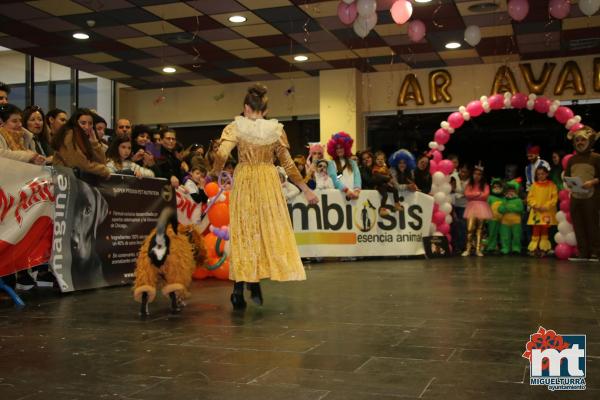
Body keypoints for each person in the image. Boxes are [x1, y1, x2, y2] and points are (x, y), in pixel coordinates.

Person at [210, 84, 318, 310]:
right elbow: (288, 163)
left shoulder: (235, 127)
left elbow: (221, 154)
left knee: (244, 232)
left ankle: (241, 287)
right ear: (266, 110)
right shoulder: (275, 130)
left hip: (246, 179)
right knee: (266, 231)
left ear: (245, 108)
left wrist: (214, 172)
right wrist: (305, 189)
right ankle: (254, 282)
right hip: (268, 181)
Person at [564, 125, 600, 261]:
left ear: (589, 141)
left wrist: (592, 182)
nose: (580, 143)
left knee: (592, 224)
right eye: (577, 140)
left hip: (591, 197)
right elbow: (566, 176)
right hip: (576, 196)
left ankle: (596, 252)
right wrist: (569, 182)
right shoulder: (572, 160)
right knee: (578, 225)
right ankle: (583, 252)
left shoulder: (596, 157)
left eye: (583, 140)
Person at [52, 108, 110, 178]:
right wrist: (104, 170)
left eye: (90, 123)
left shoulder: (86, 138)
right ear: (75, 122)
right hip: (65, 182)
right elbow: (79, 165)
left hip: (76, 182)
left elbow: (102, 162)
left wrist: (94, 143)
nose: (87, 127)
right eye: (83, 123)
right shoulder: (69, 135)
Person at [462, 164, 493, 257]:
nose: (477, 176)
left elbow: (485, 195)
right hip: (471, 207)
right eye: (475, 173)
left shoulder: (486, 185)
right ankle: (467, 249)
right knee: (470, 229)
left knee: (480, 230)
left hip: (482, 207)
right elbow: (467, 195)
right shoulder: (469, 184)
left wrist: (474, 194)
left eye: (479, 174)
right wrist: (478, 194)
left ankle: (478, 250)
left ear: (482, 176)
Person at [526, 166, 557, 256]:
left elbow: (554, 198)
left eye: (542, 174)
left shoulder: (552, 185)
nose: (540, 176)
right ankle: (534, 248)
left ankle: (544, 248)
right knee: (536, 229)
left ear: (547, 174)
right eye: (538, 174)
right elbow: (530, 198)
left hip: (547, 212)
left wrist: (546, 206)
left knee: (545, 230)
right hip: (536, 211)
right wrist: (535, 205)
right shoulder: (534, 185)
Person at [326, 132, 361, 200]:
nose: (339, 150)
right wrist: (346, 190)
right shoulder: (331, 163)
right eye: (337, 148)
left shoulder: (352, 163)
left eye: (341, 147)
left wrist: (357, 191)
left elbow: (357, 177)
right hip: (338, 196)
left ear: (346, 147)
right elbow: (335, 179)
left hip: (353, 196)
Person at [372, 150, 401, 216]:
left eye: (382, 159)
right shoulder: (375, 168)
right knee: (385, 195)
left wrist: (391, 179)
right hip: (380, 185)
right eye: (378, 159)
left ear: (384, 160)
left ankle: (397, 204)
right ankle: (382, 209)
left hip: (386, 185)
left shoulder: (385, 168)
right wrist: (388, 179)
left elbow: (389, 175)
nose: (380, 160)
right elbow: (379, 176)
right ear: (375, 160)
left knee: (395, 190)